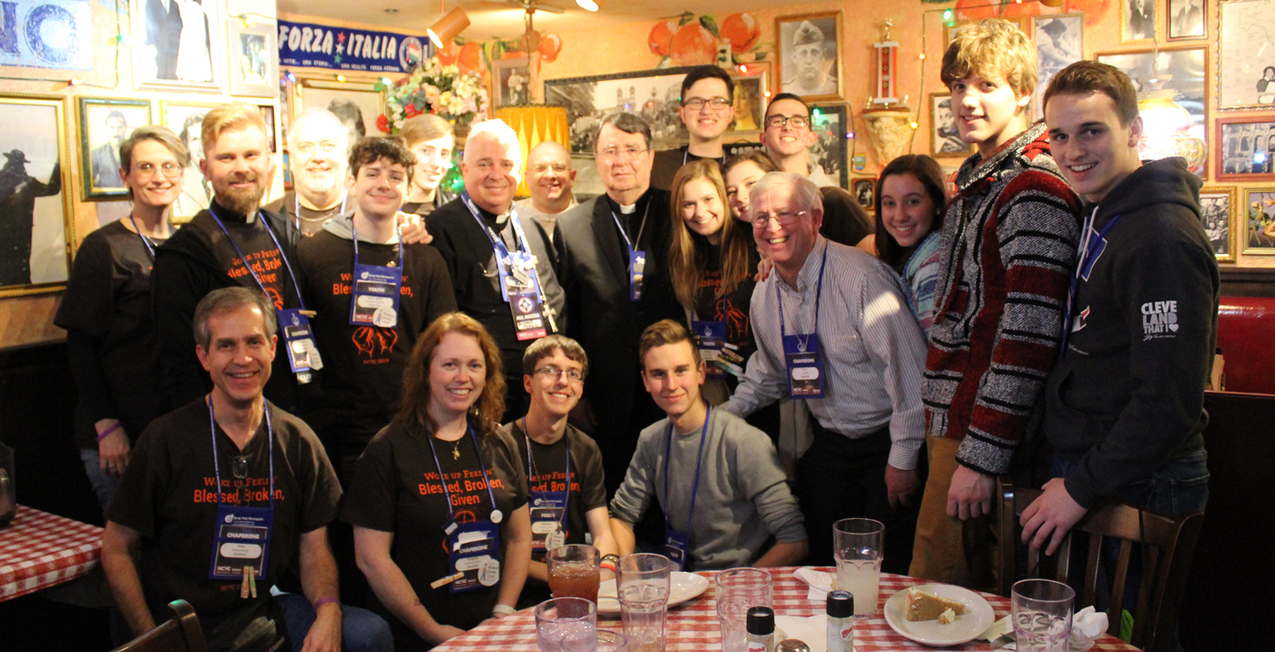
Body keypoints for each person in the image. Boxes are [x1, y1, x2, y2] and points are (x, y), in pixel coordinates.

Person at [100, 287, 391, 652]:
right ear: (203, 357)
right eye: (226, 346)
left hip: (261, 613)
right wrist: (153, 640)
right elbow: (115, 549)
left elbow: (314, 551)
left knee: (368, 635)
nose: (243, 359)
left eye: (254, 343)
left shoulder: (297, 441)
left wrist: (328, 612)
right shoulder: (164, 440)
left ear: (272, 348)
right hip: (181, 623)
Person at [910, 19, 1082, 590]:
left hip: (977, 427)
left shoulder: (1033, 184)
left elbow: (1028, 336)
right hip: (956, 417)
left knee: (945, 598)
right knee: (949, 591)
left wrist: (981, 457)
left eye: (985, 85)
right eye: (958, 86)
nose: (967, 100)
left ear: (1023, 91)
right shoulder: (983, 177)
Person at [1020, 60, 1217, 554]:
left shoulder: (1161, 237)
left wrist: (1081, 487)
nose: (1073, 151)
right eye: (1059, 136)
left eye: (1091, 131)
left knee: (1128, 634)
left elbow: (1168, 400)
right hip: (1100, 466)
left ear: (1134, 131)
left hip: (1141, 478)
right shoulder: (1106, 212)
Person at [723, 172, 928, 570]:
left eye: (785, 213)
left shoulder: (860, 278)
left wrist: (903, 459)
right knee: (822, 566)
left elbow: (910, 375)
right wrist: (717, 421)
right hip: (829, 447)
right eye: (761, 218)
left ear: (816, 218)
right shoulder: (765, 290)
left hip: (885, 445)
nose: (772, 227)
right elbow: (767, 375)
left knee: (884, 571)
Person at [341, 313, 532, 651]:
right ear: (425, 371)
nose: (463, 377)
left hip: (490, 629)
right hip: (414, 634)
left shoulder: (499, 440)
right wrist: (432, 630)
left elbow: (519, 537)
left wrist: (503, 613)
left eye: (474, 365)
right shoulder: (387, 448)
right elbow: (371, 559)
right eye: (450, 365)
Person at [296, 136, 457, 483]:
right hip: (336, 431)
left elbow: (445, 343)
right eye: (372, 174)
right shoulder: (311, 255)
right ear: (351, 183)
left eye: (396, 176)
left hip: (411, 425)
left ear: (408, 188)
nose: (384, 184)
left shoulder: (425, 258)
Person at [55, 126, 186, 511]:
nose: (159, 177)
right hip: (121, 434)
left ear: (182, 174)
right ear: (125, 176)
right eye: (146, 167)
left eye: (169, 166)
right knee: (131, 551)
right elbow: (80, 345)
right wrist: (106, 425)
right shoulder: (104, 248)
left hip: (173, 430)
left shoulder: (188, 244)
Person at [553, 112, 683, 494]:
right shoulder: (572, 224)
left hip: (671, 386)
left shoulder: (679, 212)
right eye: (610, 151)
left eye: (631, 150)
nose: (620, 160)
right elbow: (568, 318)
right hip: (606, 395)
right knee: (612, 493)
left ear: (650, 157)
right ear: (596, 158)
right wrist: (577, 390)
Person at [610, 319, 807, 570]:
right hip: (682, 579)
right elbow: (620, 516)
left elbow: (795, 541)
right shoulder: (651, 439)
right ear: (646, 382)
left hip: (738, 584)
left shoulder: (743, 441)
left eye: (681, 370)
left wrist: (735, 585)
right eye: (659, 374)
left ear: (701, 373)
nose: (671, 385)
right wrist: (630, 572)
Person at [153, 102, 310, 413]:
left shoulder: (284, 230)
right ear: (205, 167)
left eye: (251, 155)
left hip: (298, 411)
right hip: (228, 422)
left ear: (270, 162)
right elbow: (179, 365)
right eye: (227, 157)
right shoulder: (182, 254)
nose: (242, 167)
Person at [426, 119, 565, 421]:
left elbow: (555, 301)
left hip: (542, 393)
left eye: (506, 164)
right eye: (484, 164)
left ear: (519, 171)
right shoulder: (440, 228)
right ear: (464, 169)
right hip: (480, 397)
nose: (496, 175)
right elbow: (442, 326)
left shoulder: (530, 224)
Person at [497, 335, 618, 606]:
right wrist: (562, 575)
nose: (562, 381)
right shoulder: (498, 446)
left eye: (573, 373)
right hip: (511, 592)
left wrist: (607, 569)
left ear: (581, 388)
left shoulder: (586, 448)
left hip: (573, 591)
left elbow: (602, 531)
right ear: (528, 382)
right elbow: (498, 546)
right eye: (550, 370)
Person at [667, 159, 757, 403]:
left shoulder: (755, 242)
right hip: (719, 382)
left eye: (708, 199)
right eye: (688, 204)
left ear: (724, 198)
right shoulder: (685, 259)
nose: (699, 212)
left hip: (766, 381)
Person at [868, 154, 947, 336]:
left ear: (936, 204)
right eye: (889, 203)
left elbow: (938, 354)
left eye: (912, 202)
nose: (900, 215)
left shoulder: (932, 270)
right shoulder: (920, 258)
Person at [723, 152, 871, 248]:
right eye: (731, 191)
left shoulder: (831, 202)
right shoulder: (741, 240)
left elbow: (875, 257)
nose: (741, 197)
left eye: (751, 183)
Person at [264, 109, 350, 236]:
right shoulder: (267, 220)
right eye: (305, 147)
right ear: (291, 159)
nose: (318, 156)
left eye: (328, 145)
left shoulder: (369, 215)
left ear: (345, 155)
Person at [651, 66, 736, 190]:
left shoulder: (739, 169)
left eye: (717, 102)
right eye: (696, 102)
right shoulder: (657, 166)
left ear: (731, 114)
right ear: (682, 114)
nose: (706, 110)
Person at [0, 149, 61, 285]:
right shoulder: (28, 182)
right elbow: (52, 188)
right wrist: (59, 164)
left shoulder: (24, 182)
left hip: (12, 234)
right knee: (19, 270)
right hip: (20, 235)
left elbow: (52, 189)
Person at [759, 93, 838, 187]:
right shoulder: (748, 193)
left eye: (797, 121)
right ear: (763, 138)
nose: (788, 127)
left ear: (812, 138)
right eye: (777, 121)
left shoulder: (833, 196)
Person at [513, 141, 577, 233]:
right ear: (528, 178)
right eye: (540, 168)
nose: (550, 175)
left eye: (558, 167)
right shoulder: (508, 219)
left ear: (571, 177)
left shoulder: (589, 222)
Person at [399, 113, 457, 217]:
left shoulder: (457, 212)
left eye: (444, 154)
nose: (436, 163)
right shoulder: (384, 211)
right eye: (426, 151)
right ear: (405, 152)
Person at [783, 21, 836, 96]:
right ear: (794, 58)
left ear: (823, 56)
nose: (809, 61)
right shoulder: (786, 90)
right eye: (803, 54)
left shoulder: (834, 87)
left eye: (814, 53)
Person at [174, 112, 211, 217]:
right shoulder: (176, 181)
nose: (201, 148)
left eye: (205, 139)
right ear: (186, 145)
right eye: (194, 139)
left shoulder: (223, 178)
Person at [90, 110, 129, 190]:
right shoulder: (96, 154)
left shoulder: (136, 151)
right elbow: (88, 183)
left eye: (119, 127)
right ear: (106, 129)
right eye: (112, 127)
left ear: (125, 128)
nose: (115, 132)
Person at [144, 0, 182, 80]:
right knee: (161, 69)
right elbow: (148, 20)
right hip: (159, 43)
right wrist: (150, 42)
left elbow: (179, 24)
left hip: (173, 45)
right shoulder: (152, 2)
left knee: (172, 69)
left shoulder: (174, 4)